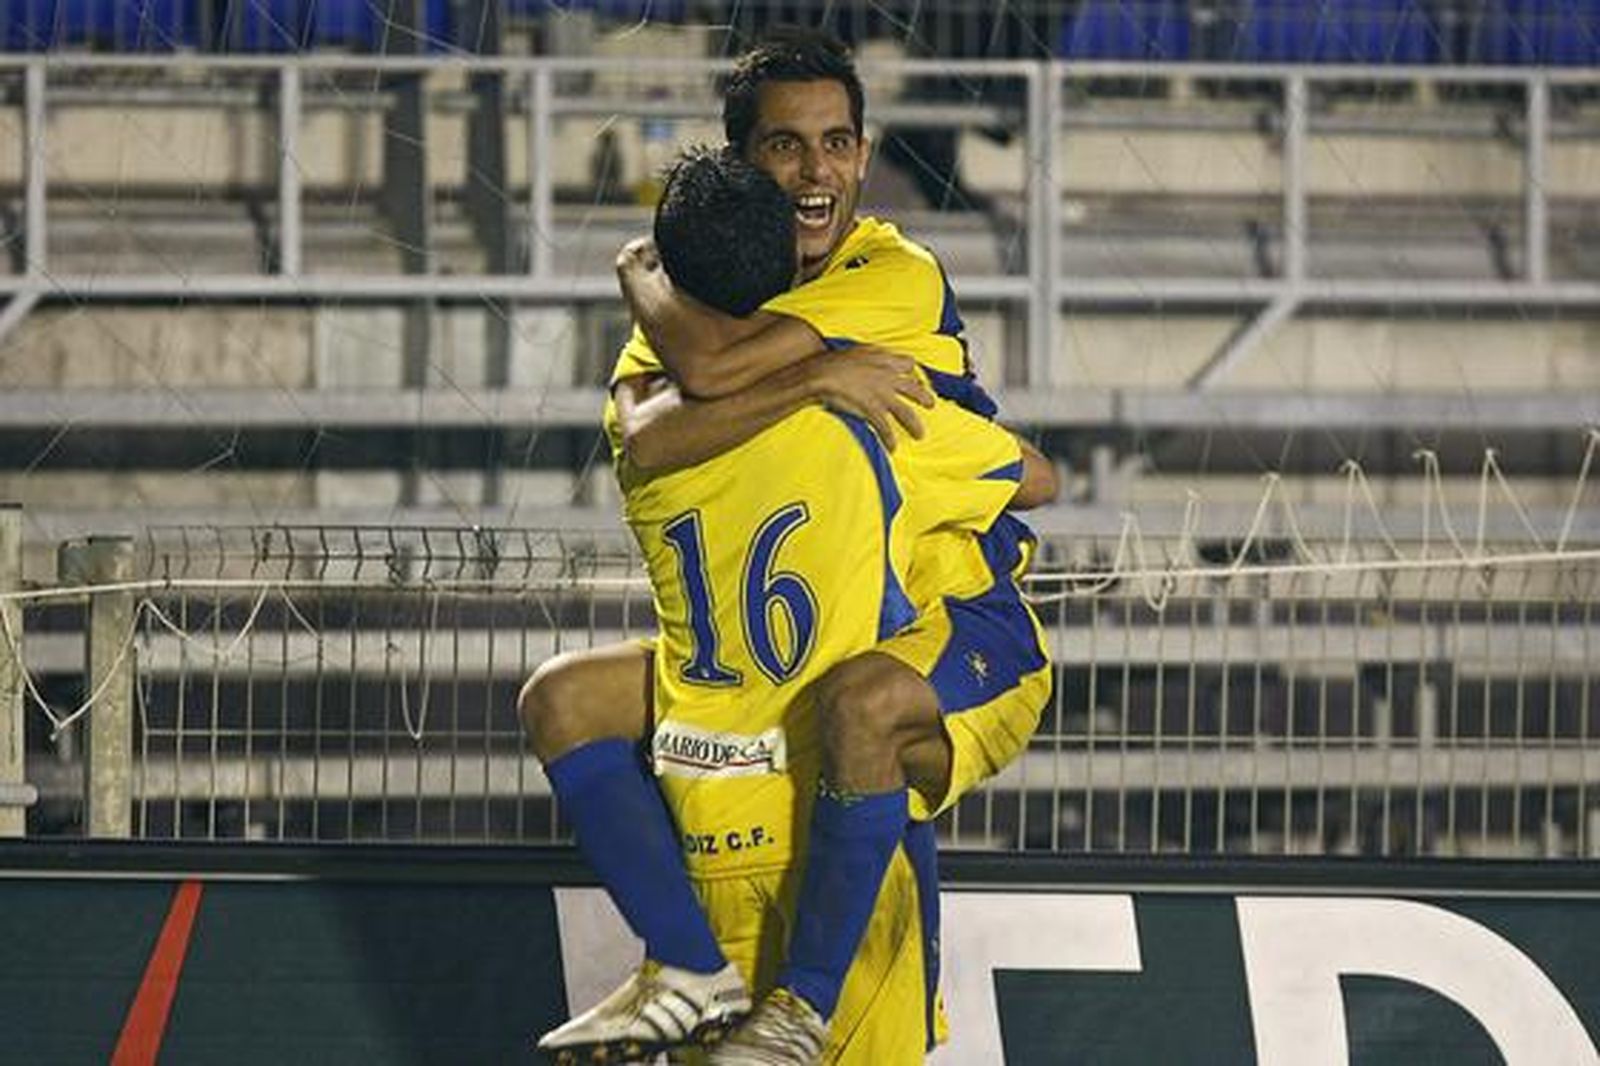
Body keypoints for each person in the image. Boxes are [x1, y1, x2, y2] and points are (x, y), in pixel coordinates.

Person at [526, 29, 1055, 1065]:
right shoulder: (706, 308)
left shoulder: (887, 274)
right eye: (785, 146)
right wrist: (814, 374)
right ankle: (684, 966)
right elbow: (648, 430)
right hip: (785, 664)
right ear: (739, 165)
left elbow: (708, 373)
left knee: (863, 705)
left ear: (863, 156)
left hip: (949, 612)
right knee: (564, 696)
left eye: (837, 143)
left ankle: (802, 1012)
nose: (817, 170)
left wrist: (640, 267)